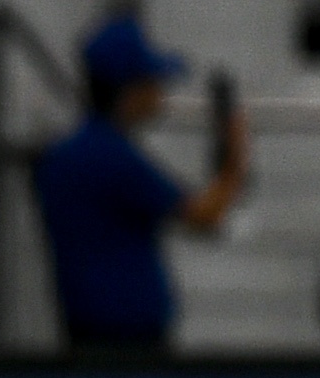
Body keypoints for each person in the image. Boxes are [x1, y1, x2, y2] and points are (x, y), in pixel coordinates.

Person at [33, 18, 248, 356]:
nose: (161, 95)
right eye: (153, 83)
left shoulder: (67, 155)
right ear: (130, 90)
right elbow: (206, 215)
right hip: (127, 346)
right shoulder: (112, 157)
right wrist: (235, 154)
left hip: (86, 331)